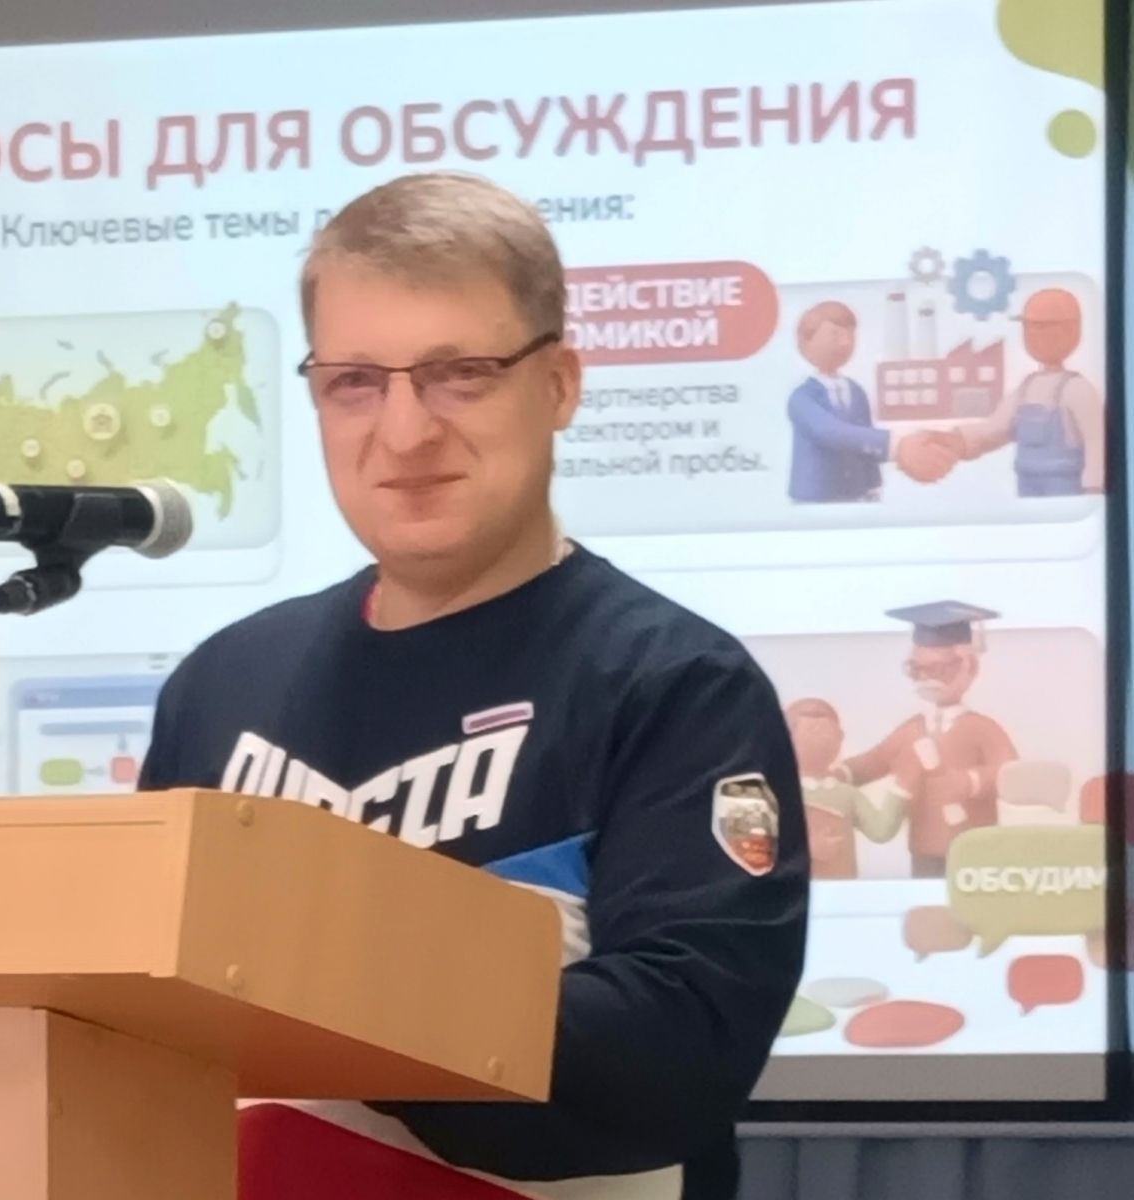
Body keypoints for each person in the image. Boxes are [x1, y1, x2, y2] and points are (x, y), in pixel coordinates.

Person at [138, 172, 808, 1200]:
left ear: (560, 385)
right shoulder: (222, 685)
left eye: (460, 374)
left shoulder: (676, 686)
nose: (404, 431)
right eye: (355, 382)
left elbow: (678, 1048)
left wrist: (326, 990)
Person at [837, 602, 1017, 879]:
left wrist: (971, 781)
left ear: (969, 666)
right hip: (924, 846)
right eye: (916, 670)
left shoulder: (981, 729)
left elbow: (1010, 772)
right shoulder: (912, 730)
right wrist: (837, 774)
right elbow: (875, 761)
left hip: (974, 847)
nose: (926, 679)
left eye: (938, 670)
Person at [785, 301, 958, 501]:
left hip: (857, 494)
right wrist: (897, 446)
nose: (845, 342)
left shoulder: (856, 391)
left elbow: (865, 440)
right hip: (816, 498)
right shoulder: (802, 398)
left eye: (850, 335)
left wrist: (873, 485)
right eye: (835, 335)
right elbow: (831, 432)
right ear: (806, 343)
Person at [954, 288, 1104, 496]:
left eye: (1039, 328)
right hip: (1027, 481)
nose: (1032, 335)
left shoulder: (1078, 389)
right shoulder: (1026, 387)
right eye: (1028, 328)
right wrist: (954, 440)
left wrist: (1094, 487)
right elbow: (996, 427)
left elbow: (1096, 443)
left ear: (1068, 331)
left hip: (1064, 485)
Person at [785, 697, 903, 880]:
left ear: (840, 737)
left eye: (829, 731)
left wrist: (901, 789)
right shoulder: (781, 794)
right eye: (813, 729)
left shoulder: (846, 794)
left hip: (842, 884)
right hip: (796, 886)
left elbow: (880, 831)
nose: (822, 738)